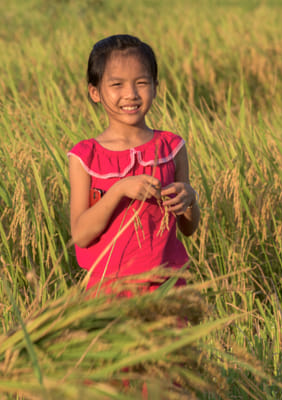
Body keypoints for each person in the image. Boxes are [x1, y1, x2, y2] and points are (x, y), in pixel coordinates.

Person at [68, 34, 200, 295]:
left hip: (167, 287)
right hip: (109, 290)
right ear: (95, 92)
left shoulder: (171, 148)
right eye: (117, 84)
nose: (130, 94)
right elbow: (81, 235)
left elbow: (188, 228)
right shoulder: (85, 157)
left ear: (155, 87)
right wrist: (118, 190)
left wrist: (190, 199)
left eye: (141, 83)